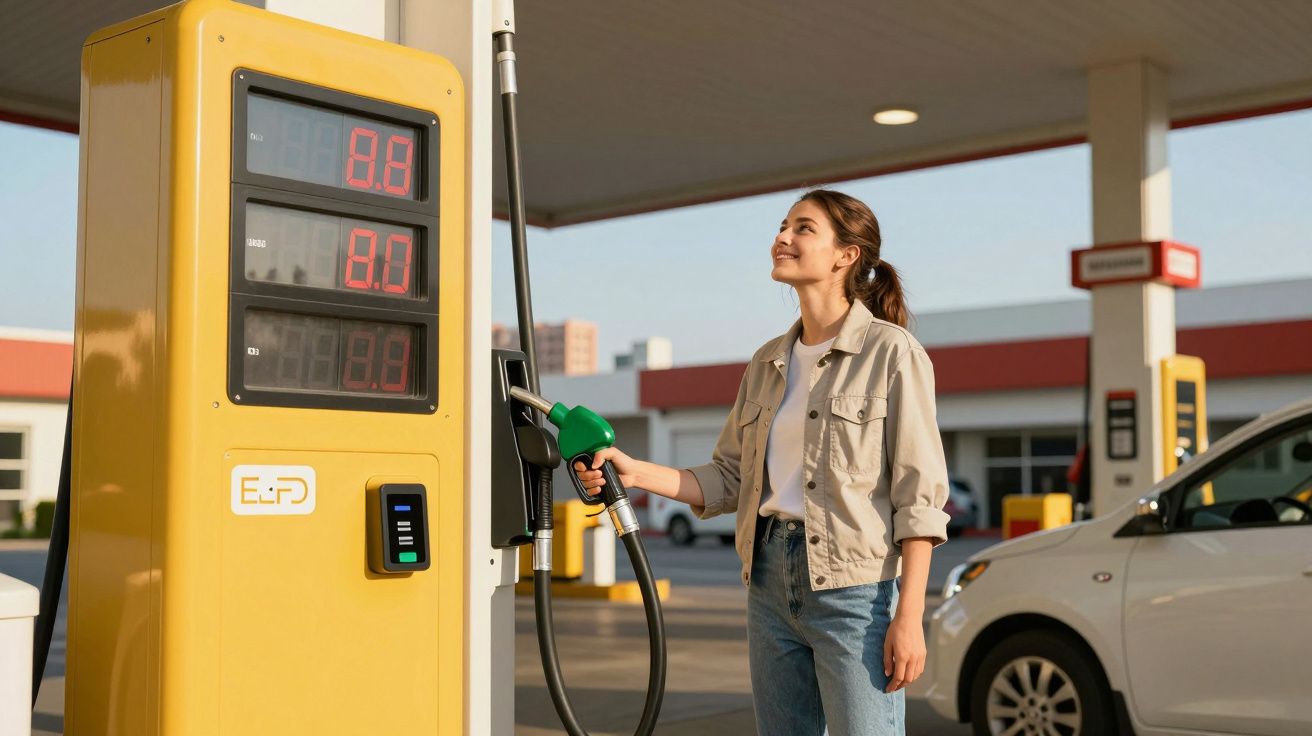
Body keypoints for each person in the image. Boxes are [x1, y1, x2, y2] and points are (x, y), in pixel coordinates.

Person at [574, 188, 950, 736]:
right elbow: (729, 477)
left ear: (846, 255)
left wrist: (909, 617)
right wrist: (634, 472)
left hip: (855, 592)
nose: (782, 237)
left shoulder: (891, 353)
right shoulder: (767, 361)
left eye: (803, 228)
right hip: (768, 581)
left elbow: (919, 499)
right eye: (782, 226)